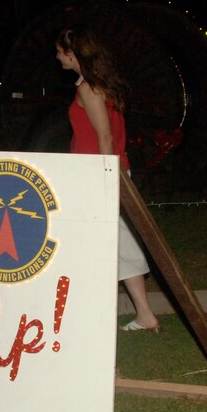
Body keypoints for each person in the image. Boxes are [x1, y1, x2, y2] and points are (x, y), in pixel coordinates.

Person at [55, 26, 160, 332]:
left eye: (60, 52)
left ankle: (97, 314)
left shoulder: (89, 88)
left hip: (100, 175)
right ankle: (142, 314)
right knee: (117, 243)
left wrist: (104, 179)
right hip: (103, 174)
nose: (57, 57)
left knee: (104, 243)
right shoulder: (98, 85)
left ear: (72, 54)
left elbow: (105, 138)